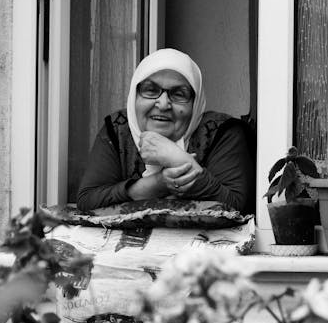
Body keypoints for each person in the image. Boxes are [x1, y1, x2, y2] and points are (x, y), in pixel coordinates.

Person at [77, 48, 255, 215]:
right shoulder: (118, 129)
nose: (162, 104)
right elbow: (88, 201)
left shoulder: (222, 132)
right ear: (134, 96)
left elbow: (237, 206)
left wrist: (177, 159)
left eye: (179, 94)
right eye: (150, 90)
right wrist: (157, 184)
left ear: (196, 102)